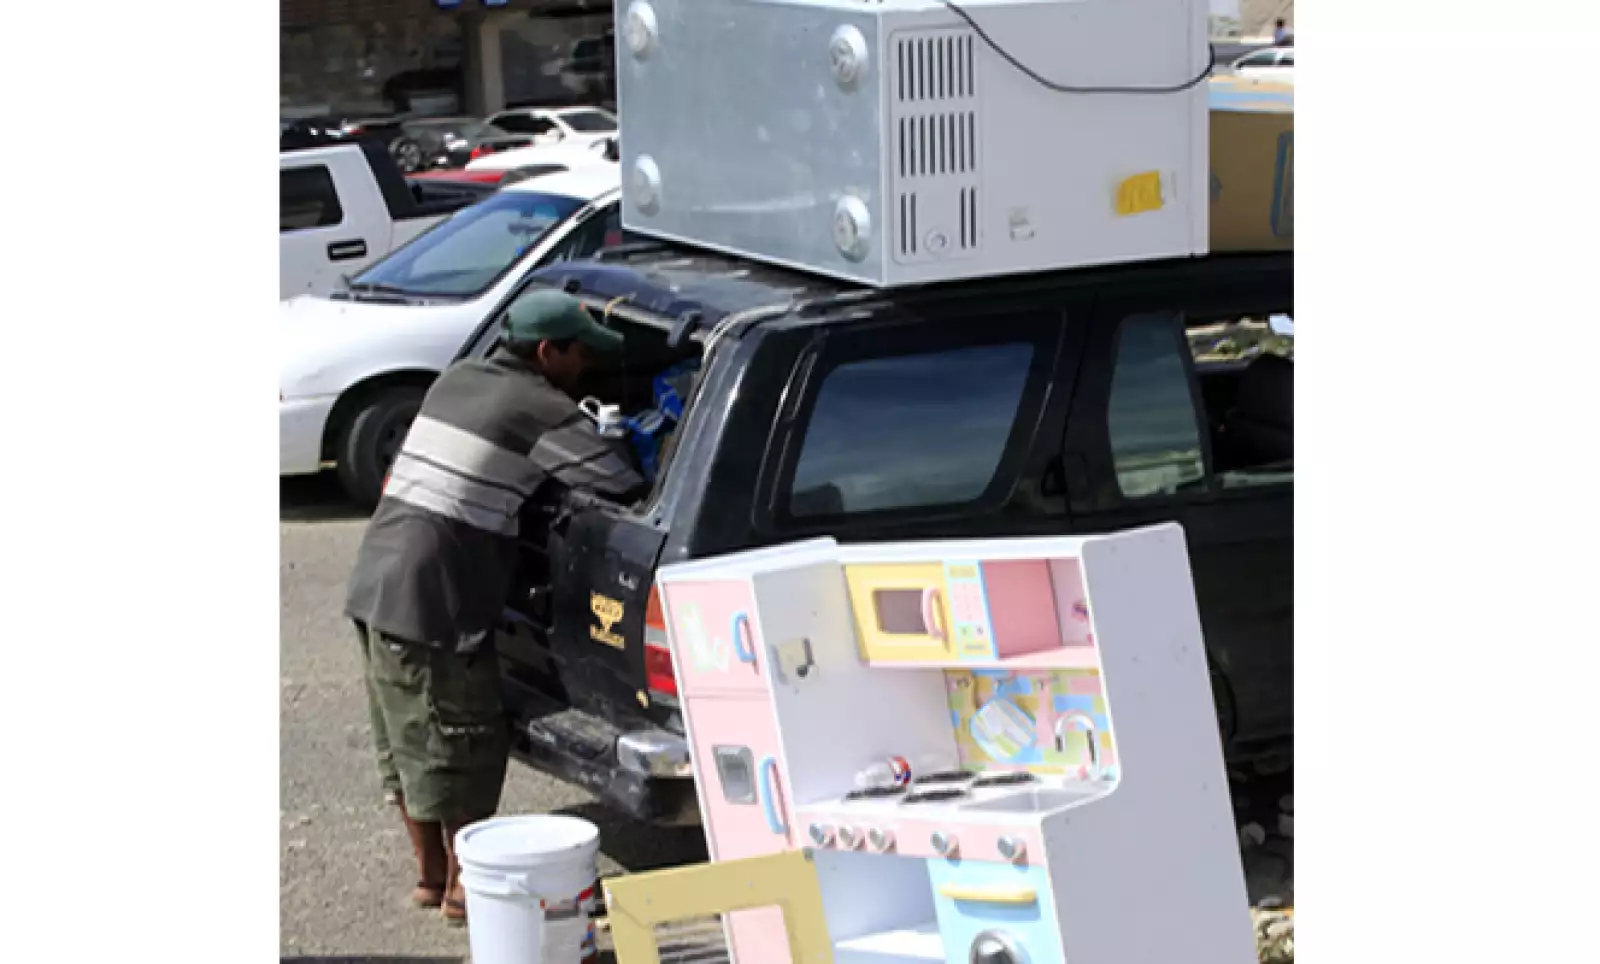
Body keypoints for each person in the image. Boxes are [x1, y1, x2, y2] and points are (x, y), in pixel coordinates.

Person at [345, 288, 645, 926]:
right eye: (580, 355)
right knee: (464, 744)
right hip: (434, 601)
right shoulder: (537, 405)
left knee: (408, 744)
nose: (586, 367)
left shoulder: (459, 379)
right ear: (546, 352)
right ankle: (462, 893)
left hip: (376, 582)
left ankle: (432, 879)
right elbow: (619, 481)